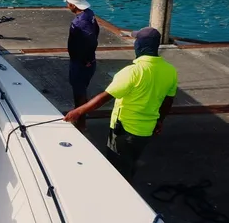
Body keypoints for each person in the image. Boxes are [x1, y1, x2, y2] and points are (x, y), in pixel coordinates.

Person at [64, 27, 177, 181]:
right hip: (146, 130)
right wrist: (160, 121)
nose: (135, 44)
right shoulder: (170, 71)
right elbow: (168, 101)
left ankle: (121, 193)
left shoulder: (132, 71)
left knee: (116, 168)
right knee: (131, 161)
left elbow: (105, 97)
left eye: (137, 41)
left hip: (124, 131)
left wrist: (78, 111)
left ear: (141, 45)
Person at [64, 0, 100, 133]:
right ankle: (79, 115)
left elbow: (91, 41)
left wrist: (86, 60)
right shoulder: (89, 14)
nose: (67, 5)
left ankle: (80, 123)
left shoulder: (79, 23)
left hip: (81, 63)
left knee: (79, 92)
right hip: (87, 61)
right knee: (81, 90)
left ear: (73, 5)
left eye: (68, 3)